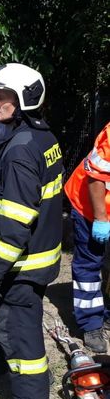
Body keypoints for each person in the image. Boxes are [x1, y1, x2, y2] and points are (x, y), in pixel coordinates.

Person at [0, 63, 63, 399]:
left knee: (20, 333)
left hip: (21, 265)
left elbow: (14, 226)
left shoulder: (20, 151)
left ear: (24, 100)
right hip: (40, 258)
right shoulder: (43, 139)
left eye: (1, 97)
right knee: (21, 327)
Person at [64, 124, 110, 353]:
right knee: (90, 263)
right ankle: (91, 323)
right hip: (90, 206)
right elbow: (96, 177)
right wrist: (101, 219)